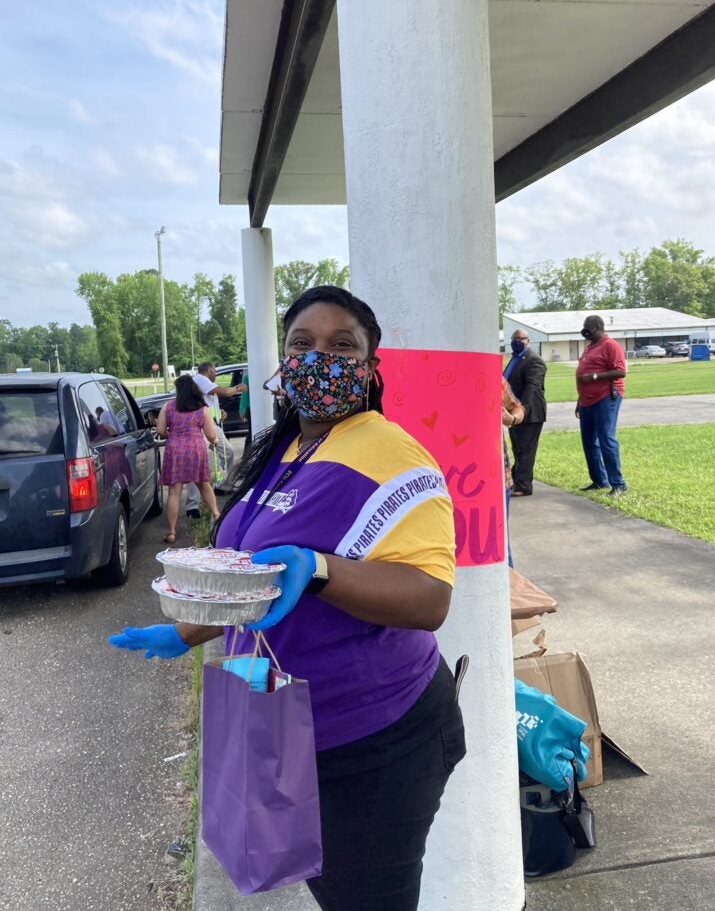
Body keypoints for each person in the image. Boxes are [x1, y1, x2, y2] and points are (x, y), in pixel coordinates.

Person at [110, 286, 465, 911]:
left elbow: (429, 598)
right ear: (283, 360)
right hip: (290, 731)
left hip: (375, 740)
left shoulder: (395, 457)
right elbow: (253, 576)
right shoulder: (285, 449)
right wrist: (186, 631)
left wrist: (322, 568)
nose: (317, 357)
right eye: (301, 343)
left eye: (340, 345)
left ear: (370, 365)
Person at [156, 375, 220, 542]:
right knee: (203, 484)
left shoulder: (168, 407)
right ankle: (216, 513)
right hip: (195, 449)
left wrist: (172, 434)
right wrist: (215, 440)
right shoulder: (203, 409)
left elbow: (161, 430)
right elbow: (210, 434)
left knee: (174, 492)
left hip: (174, 449)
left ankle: (171, 532)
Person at [575, 315, 628, 497]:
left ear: (598, 327)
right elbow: (581, 374)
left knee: (606, 439)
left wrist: (594, 377)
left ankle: (618, 484)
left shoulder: (610, 345)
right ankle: (599, 480)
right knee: (589, 442)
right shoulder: (589, 347)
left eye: (588, 327)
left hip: (606, 397)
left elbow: (621, 371)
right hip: (586, 400)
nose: (585, 330)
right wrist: (579, 400)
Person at [185, 362, 246, 517]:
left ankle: (222, 484)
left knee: (228, 452)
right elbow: (224, 392)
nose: (216, 374)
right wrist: (239, 388)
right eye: (215, 371)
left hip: (211, 424)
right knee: (198, 462)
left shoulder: (203, 382)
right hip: (201, 426)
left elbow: (208, 402)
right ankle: (193, 505)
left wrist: (220, 413)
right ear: (209, 370)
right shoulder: (201, 379)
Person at [503, 329, 547, 496]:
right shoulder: (515, 358)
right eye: (514, 338)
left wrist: (521, 410)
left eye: (521, 339)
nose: (517, 341)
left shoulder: (534, 360)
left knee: (526, 450)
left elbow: (532, 388)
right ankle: (517, 480)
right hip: (513, 412)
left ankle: (523, 486)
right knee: (518, 449)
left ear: (528, 341)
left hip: (529, 412)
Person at [501, 377, 524, 567]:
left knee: (498, 543)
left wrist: (512, 418)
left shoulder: (493, 379)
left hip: (497, 478)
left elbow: (517, 407)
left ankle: (508, 593)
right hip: (444, 479)